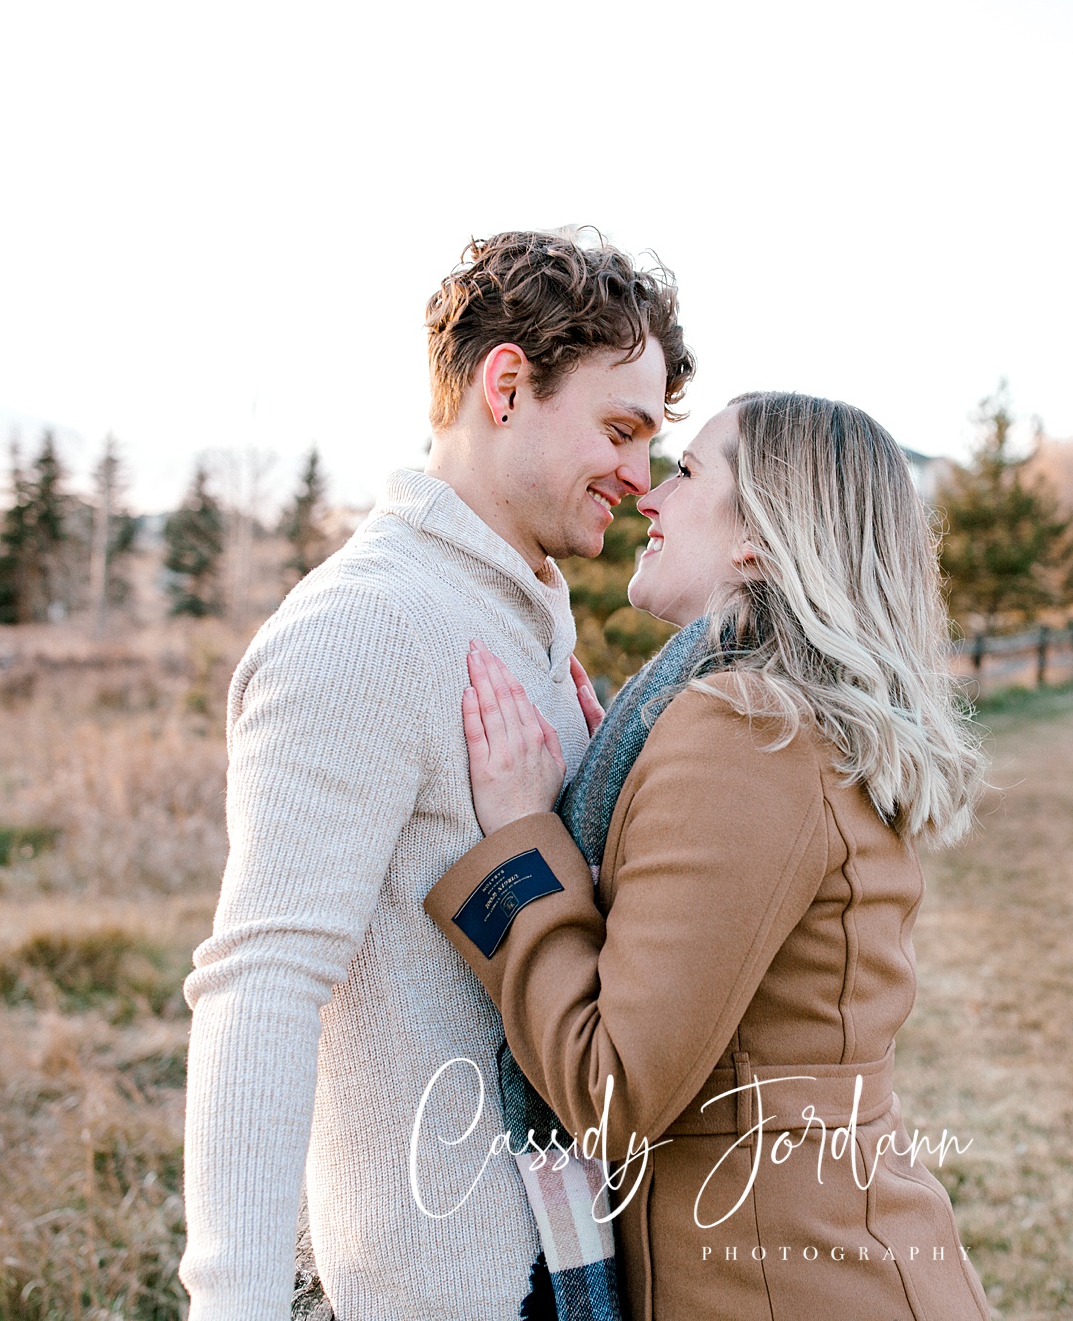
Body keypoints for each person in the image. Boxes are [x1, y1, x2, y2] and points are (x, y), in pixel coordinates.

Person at [180, 229, 693, 1321]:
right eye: (618, 428)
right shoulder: (365, 627)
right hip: (453, 1282)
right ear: (506, 384)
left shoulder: (519, 613)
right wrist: (233, 1304)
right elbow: (261, 985)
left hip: (568, 1255)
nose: (640, 476)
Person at [424, 392, 992, 1320]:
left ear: (759, 537)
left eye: (687, 472)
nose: (648, 493)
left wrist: (523, 838)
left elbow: (611, 1094)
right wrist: (635, 807)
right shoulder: (780, 722)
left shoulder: (744, 731)